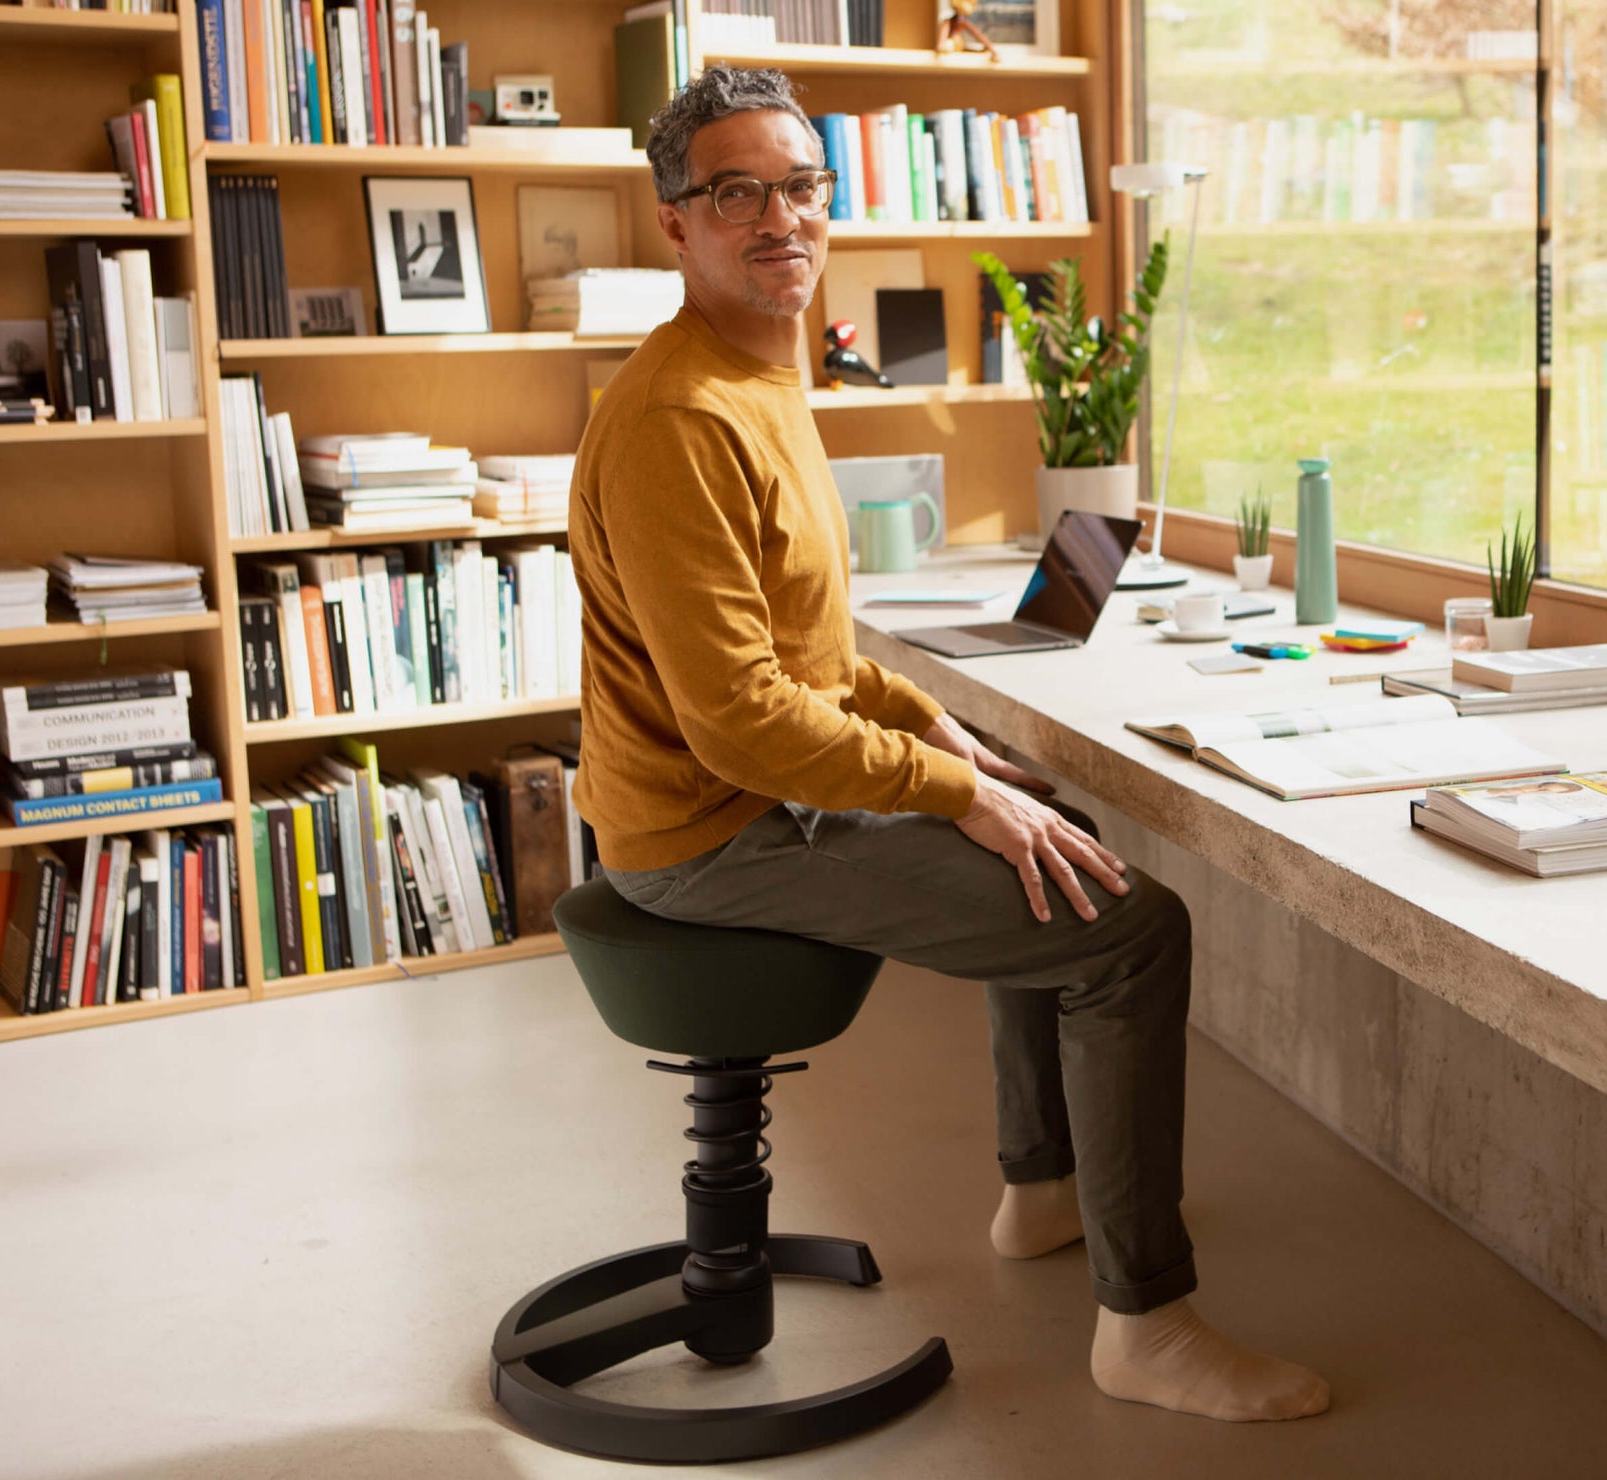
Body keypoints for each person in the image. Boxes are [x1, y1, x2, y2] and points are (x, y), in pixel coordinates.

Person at [566, 64, 1328, 1425]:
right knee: (1130, 929)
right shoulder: (681, 417)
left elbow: (813, 652)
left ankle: (1041, 1189)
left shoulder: (758, 373)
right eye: (736, 192)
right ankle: (1145, 1324)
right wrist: (952, 792)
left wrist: (940, 732)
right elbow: (739, 719)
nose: (780, 218)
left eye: (801, 185)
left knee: (1067, 847)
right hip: (707, 838)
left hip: (753, 800)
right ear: (673, 221)